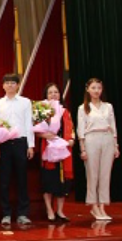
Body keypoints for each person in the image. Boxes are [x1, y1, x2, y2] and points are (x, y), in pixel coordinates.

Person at [0, 73, 35, 227]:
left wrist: (30, 145)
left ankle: (23, 213)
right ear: (3, 86)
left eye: (13, 83)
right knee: (4, 180)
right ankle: (6, 214)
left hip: (20, 143)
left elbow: (29, 124)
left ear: (17, 85)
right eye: (7, 83)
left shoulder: (25, 102)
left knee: (22, 179)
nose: (10, 85)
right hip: (4, 143)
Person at [78, 78, 119, 222]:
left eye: (99, 88)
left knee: (105, 174)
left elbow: (113, 126)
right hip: (91, 139)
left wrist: (115, 145)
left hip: (107, 138)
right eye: (93, 88)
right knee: (92, 174)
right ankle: (93, 205)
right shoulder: (83, 108)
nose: (96, 91)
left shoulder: (108, 106)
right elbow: (81, 130)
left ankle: (102, 205)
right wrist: (83, 149)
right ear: (88, 89)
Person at [40, 83, 75, 223]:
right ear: (46, 95)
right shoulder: (41, 111)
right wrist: (43, 135)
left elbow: (72, 129)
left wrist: (71, 139)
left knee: (62, 182)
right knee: (48, 180)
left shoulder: (65, 112)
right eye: (50, 92)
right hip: (48, 149)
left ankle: (60, 211)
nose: (53, 95)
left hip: (63, 149)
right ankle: (49, 210)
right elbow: (34, 130)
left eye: (56, 92)